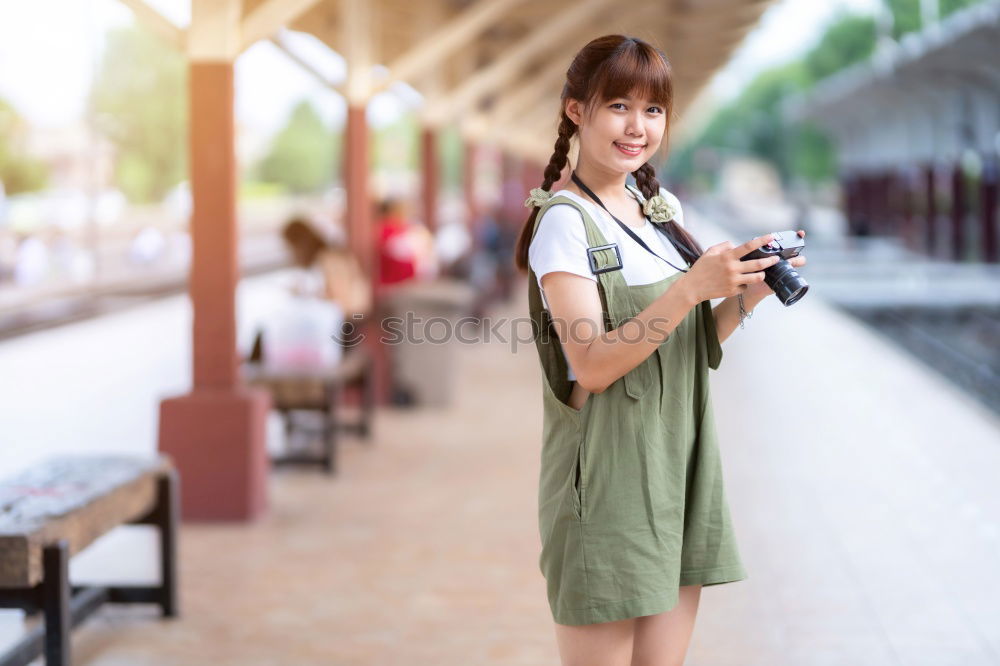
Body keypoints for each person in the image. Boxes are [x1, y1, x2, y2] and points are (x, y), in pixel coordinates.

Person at [512, 35, 807, 665]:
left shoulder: (654, 214)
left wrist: (744, 290)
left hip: (678, 462)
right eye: (619, 105)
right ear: (576, 111)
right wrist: (690, 288)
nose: (637, 126)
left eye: (653, 110)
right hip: (609, 477)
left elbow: (687, 348)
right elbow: (590, 365)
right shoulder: (565, 221)